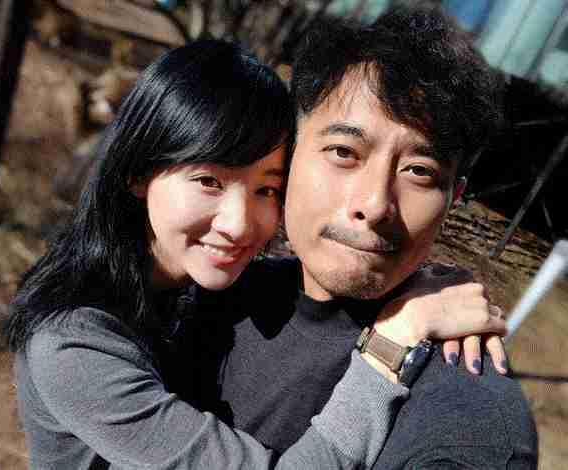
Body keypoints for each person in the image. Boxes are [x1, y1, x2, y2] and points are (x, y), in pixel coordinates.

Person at [3, 38, 506, 469]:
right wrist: (390, 345)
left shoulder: (184, 287)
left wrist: (426, 287)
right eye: (208, 181)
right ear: (138, 173)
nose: (240, 223)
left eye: (266, 189)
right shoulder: (72, 345)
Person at [211, 4, 538, 468]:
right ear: (287, 154)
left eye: (419, 171)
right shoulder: (201, 296)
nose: (376, 203)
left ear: (454, 197)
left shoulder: (468, 410)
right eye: (344, 152)